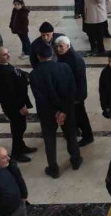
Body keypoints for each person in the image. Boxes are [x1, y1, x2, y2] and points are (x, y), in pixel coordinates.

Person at [29, 45, 82, 178]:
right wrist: (63, 111)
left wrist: (54, 112)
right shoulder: (64, 67)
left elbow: (40, 98)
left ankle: (53, 169)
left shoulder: (34, 74)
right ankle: (75, 160)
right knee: (70, 135)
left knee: (49, 140)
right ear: (52, 54)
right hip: (67, 110)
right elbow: (71, 90)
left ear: (38, 56)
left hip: (47, 113)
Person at [0, 47, 36, 162]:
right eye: (4, 55)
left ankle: (21, 146)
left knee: (20, 126)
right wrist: (21, 107)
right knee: (18, 128)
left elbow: (16, 72)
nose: (8, 56)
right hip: (13, 106)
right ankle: (16, 153)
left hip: (14, 104)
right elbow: (10, 93)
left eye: (8, 53)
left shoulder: (5, 66)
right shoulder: (2, 72)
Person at [54, 37, 94, 147]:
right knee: (76, 115)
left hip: (76, 95)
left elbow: (79, 80)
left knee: (81, 116)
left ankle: (88, 136)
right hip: (70, 95)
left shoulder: (75, 59)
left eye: (61, 46)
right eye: (57, 46)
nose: (58, 48)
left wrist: (76, 97)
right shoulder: (63, 57)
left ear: (68, 46)